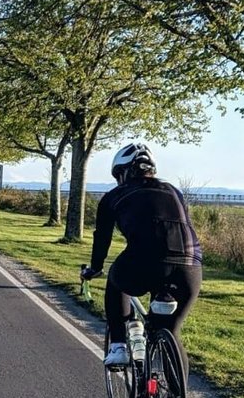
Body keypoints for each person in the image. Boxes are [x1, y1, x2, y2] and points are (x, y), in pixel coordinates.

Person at [79, 143, 202, 369]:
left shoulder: (114, 196)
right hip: (190, 265)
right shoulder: (174, 191)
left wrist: (95, 268)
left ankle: (118, 347)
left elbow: (102, 237)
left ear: (124, 172)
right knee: (171, 331)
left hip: (144, 260)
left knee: (116, 279)